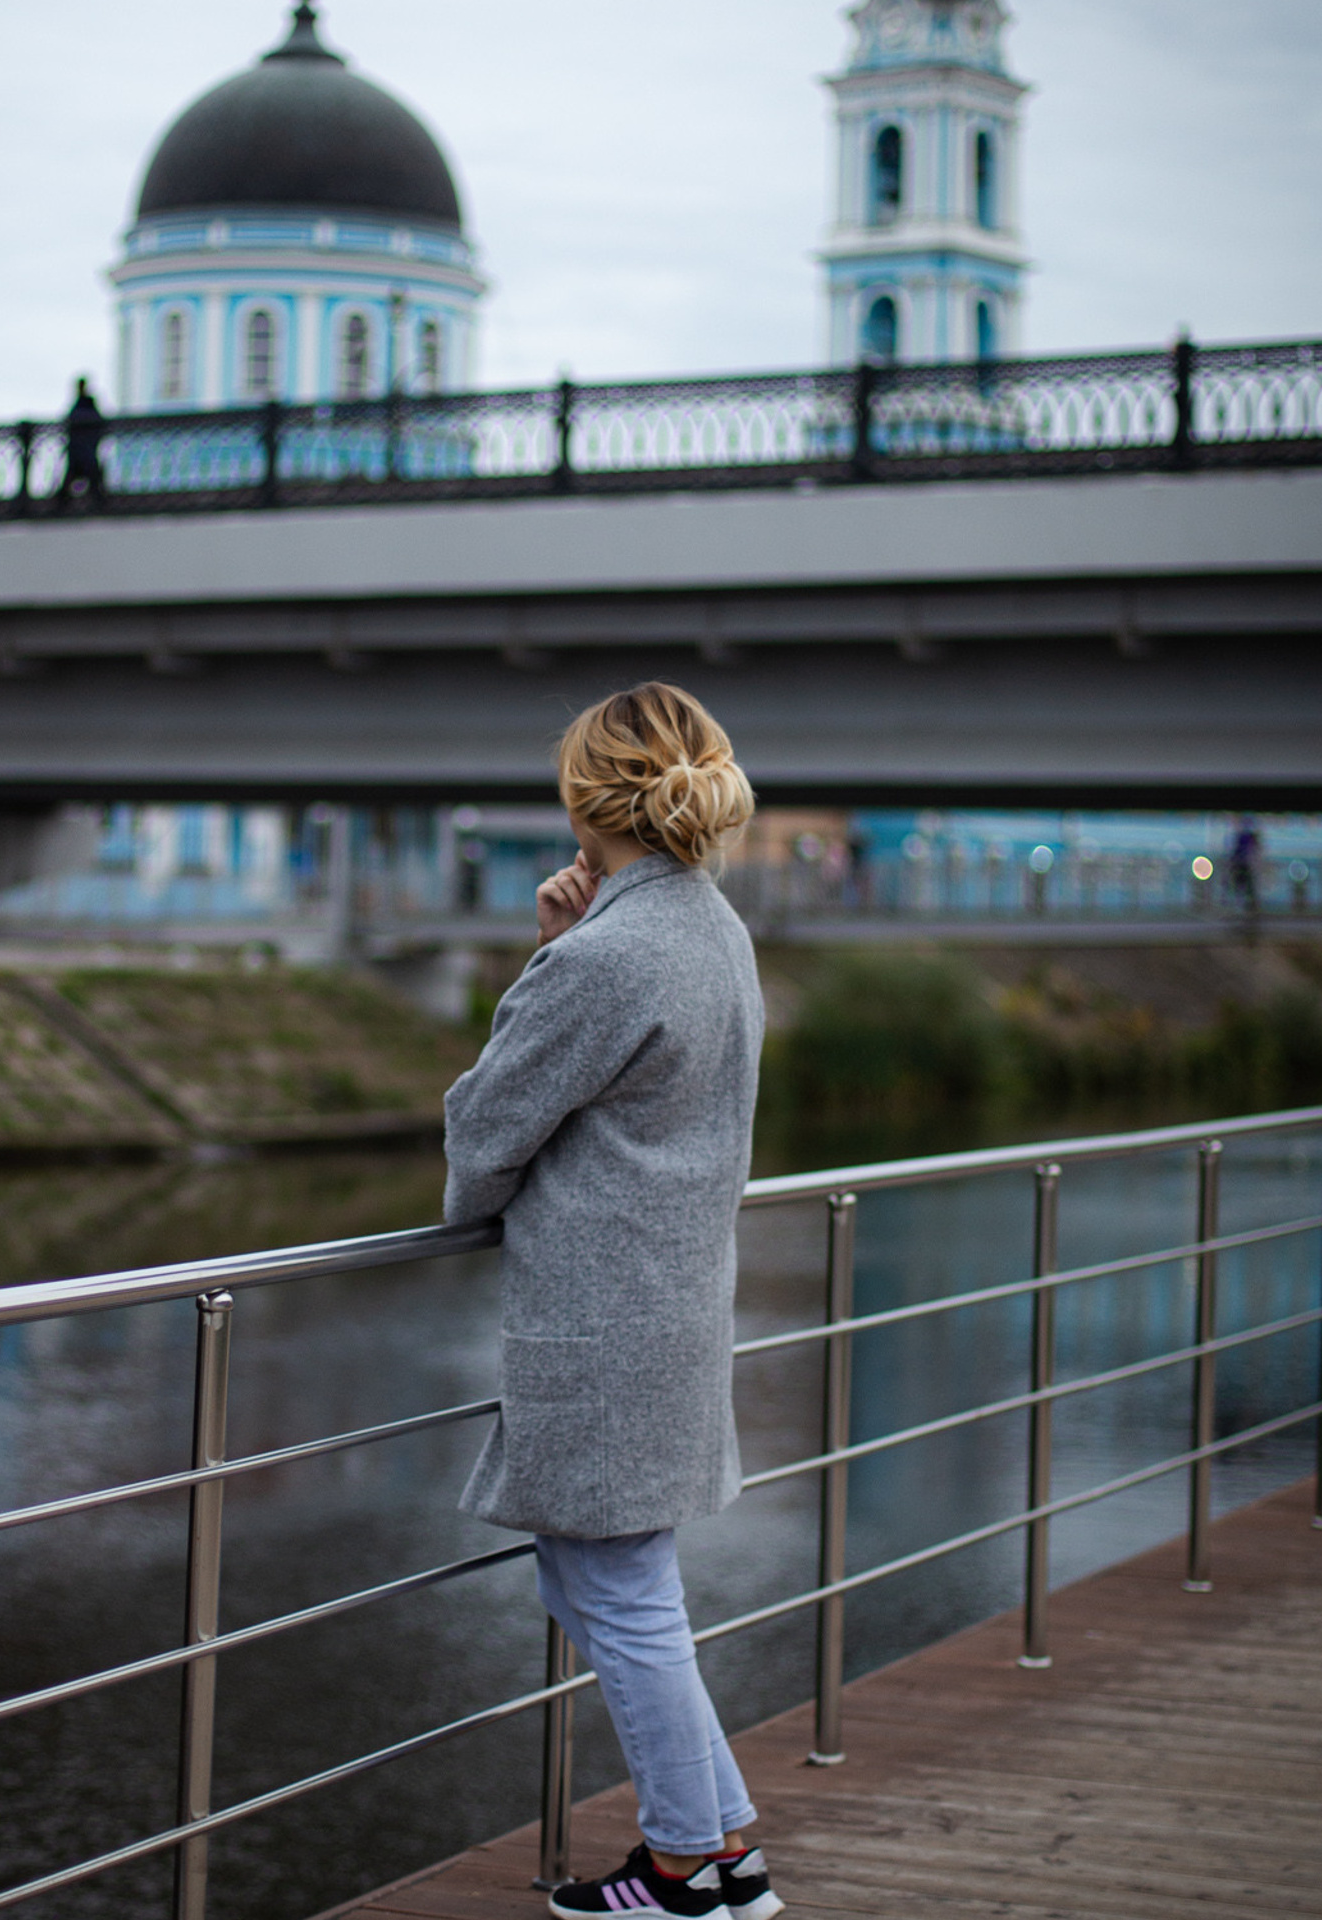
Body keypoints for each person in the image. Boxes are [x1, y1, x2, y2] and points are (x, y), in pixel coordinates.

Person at [442, 683, 779, 1920]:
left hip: (601, 1318)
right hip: (673, 1304)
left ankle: (692, 1866)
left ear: (586, 800)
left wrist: (545, 959)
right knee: (606, 1586)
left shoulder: (609, 954)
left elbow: (481, 1138)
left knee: (620, 1592)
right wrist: (558, 953)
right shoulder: (713, 930)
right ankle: (721, 1841)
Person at [62, 375, 107, 507]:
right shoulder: (82, 404)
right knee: (86, 474)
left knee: (89, 474)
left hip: (83, 447)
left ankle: (97, 501)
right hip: (80, 448)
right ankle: (96, 501)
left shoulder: (85, 404)